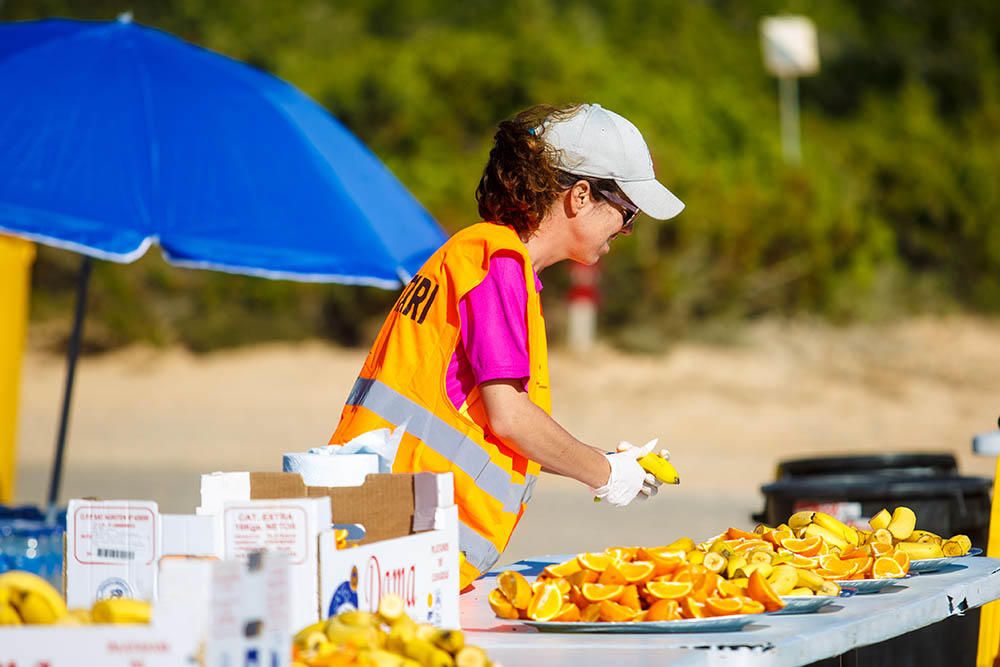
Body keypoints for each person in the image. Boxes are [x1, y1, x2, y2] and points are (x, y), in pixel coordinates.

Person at [330, 103, 684, 588]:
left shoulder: (493, 261)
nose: (626, 230)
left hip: (388, 540)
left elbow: (485, 426)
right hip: (390, 550)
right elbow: (510, 417)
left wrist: (602, 459)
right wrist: (604, 472)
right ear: (580, 196)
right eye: (628, 213)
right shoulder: (494, 260)